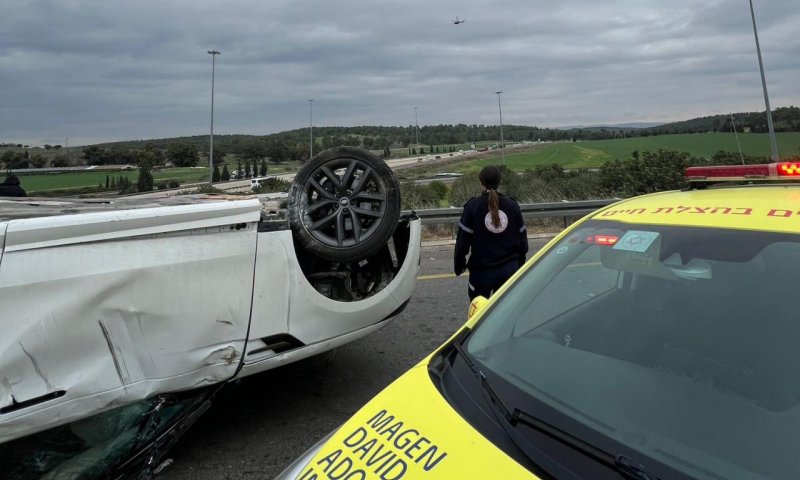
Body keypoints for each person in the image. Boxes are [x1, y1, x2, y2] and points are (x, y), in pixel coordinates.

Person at [454, 165, 528, 299]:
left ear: (481, 181)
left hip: (481, 274)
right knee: (505, 314)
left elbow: (462, 241)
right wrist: (519, 264)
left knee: (478, 315)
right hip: (509, 272)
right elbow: (523, 240)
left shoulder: (472, 207)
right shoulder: (512, 206)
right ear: (500, 181)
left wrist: (459, 265)